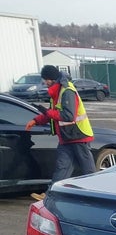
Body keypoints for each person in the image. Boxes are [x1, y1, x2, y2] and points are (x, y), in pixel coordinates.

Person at [25, 65, 96, 200]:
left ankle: (96, 193)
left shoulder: (67, 91)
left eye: (45, 79)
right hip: (66, 137)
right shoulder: (57, 92)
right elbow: (52, 113)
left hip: (78, 135)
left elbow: (68, 116)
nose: (44, 82)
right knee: (62, 168)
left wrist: (47, 112)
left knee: (88, 169)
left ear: (52, 78)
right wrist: (36, 120)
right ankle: (50, 195)